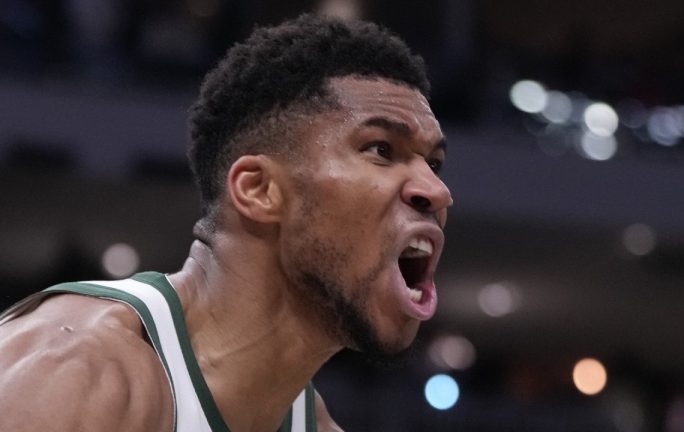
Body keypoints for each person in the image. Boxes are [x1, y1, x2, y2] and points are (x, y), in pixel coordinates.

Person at [0, 12, 452, 432]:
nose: (436, 191)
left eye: (434, 164)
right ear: (258, 190)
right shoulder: (73, 376)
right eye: (381, 150)